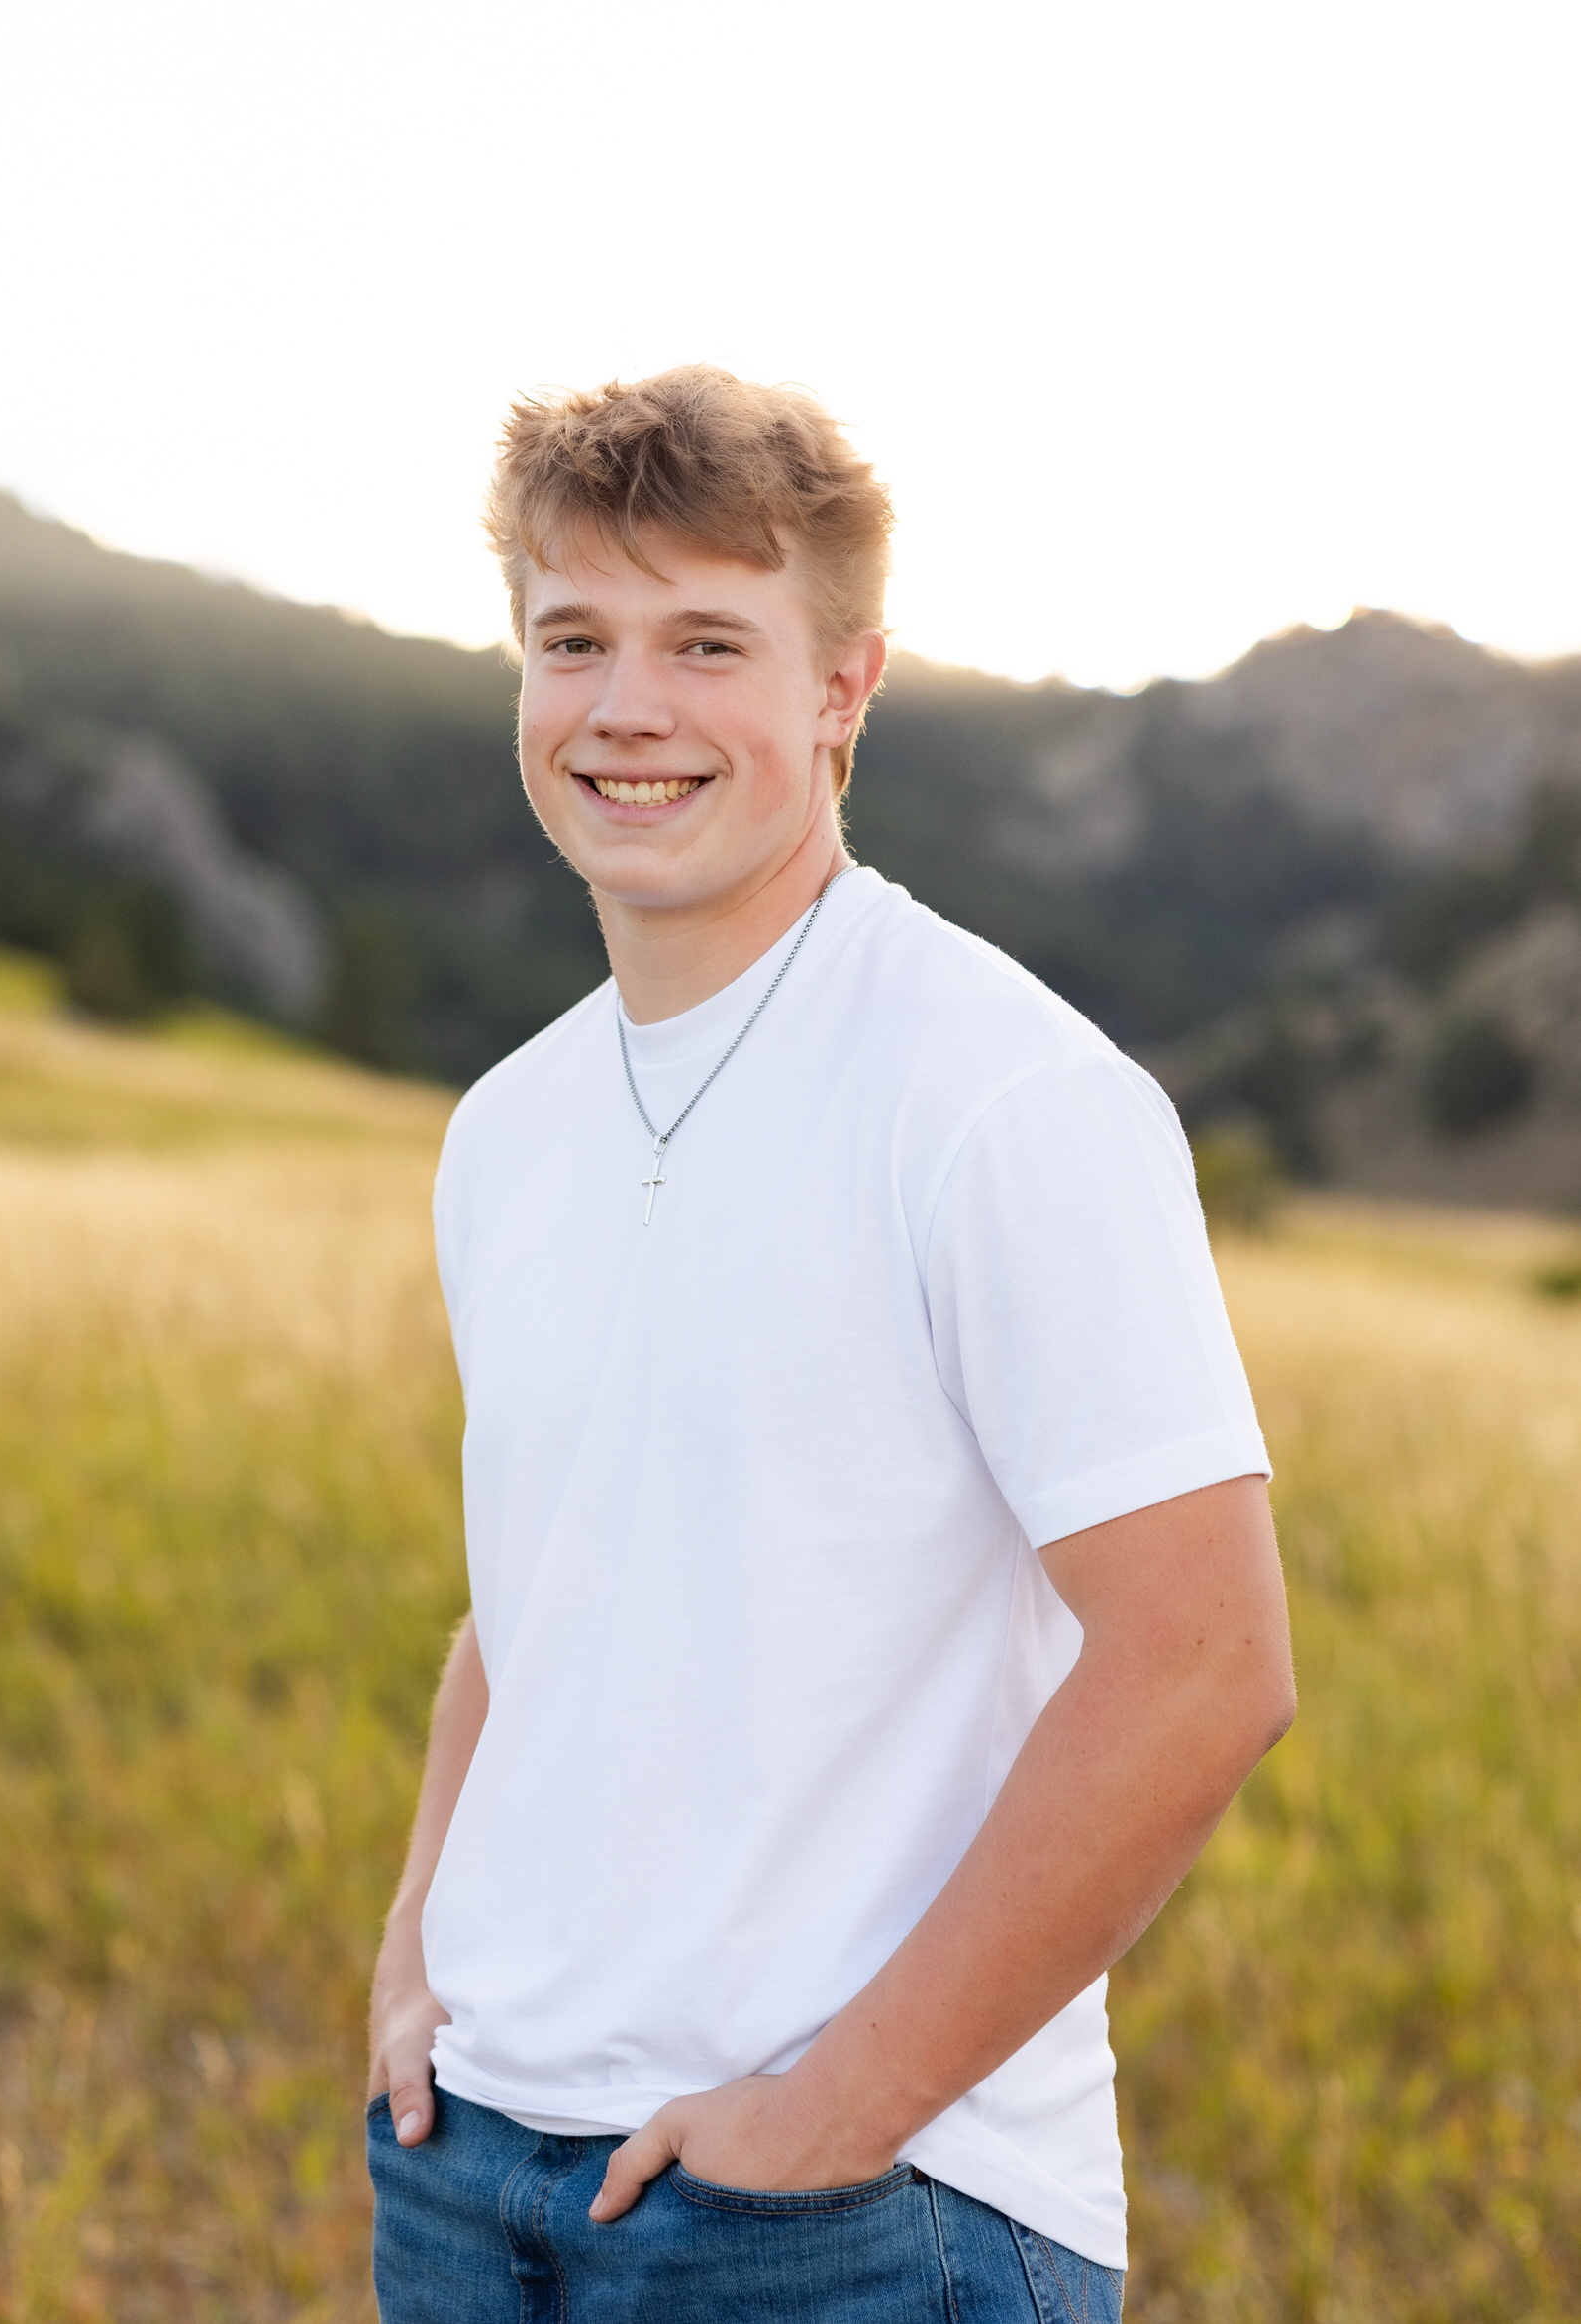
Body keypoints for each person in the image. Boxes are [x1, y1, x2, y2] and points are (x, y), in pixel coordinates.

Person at [365, 365, 1295, 2323]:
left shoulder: (1000, 1092)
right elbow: (524, 1597)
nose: (629, 706)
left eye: (710, 640)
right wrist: (414, 1961)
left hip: (845, 2213)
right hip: (473, 2172)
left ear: (842, 690)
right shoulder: (507, 1124)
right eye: (574, 639)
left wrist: (838, 2108)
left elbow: (1204, 1658)